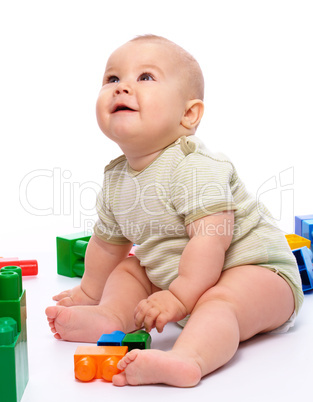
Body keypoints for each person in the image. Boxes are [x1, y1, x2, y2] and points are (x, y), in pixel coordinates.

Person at [45, 35, 304, 387]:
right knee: (131, 268)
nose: (122, 88)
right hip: (178, 279)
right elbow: (108, 245)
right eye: (112, 79)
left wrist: (180, 297)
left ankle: (188, 359)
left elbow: (211, 240)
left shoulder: (194, 164)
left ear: (188, 113)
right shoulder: (116, 177)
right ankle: (110, 315)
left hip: (257, 274)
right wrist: (91, 291)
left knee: (220, 300)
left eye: (145, 77)